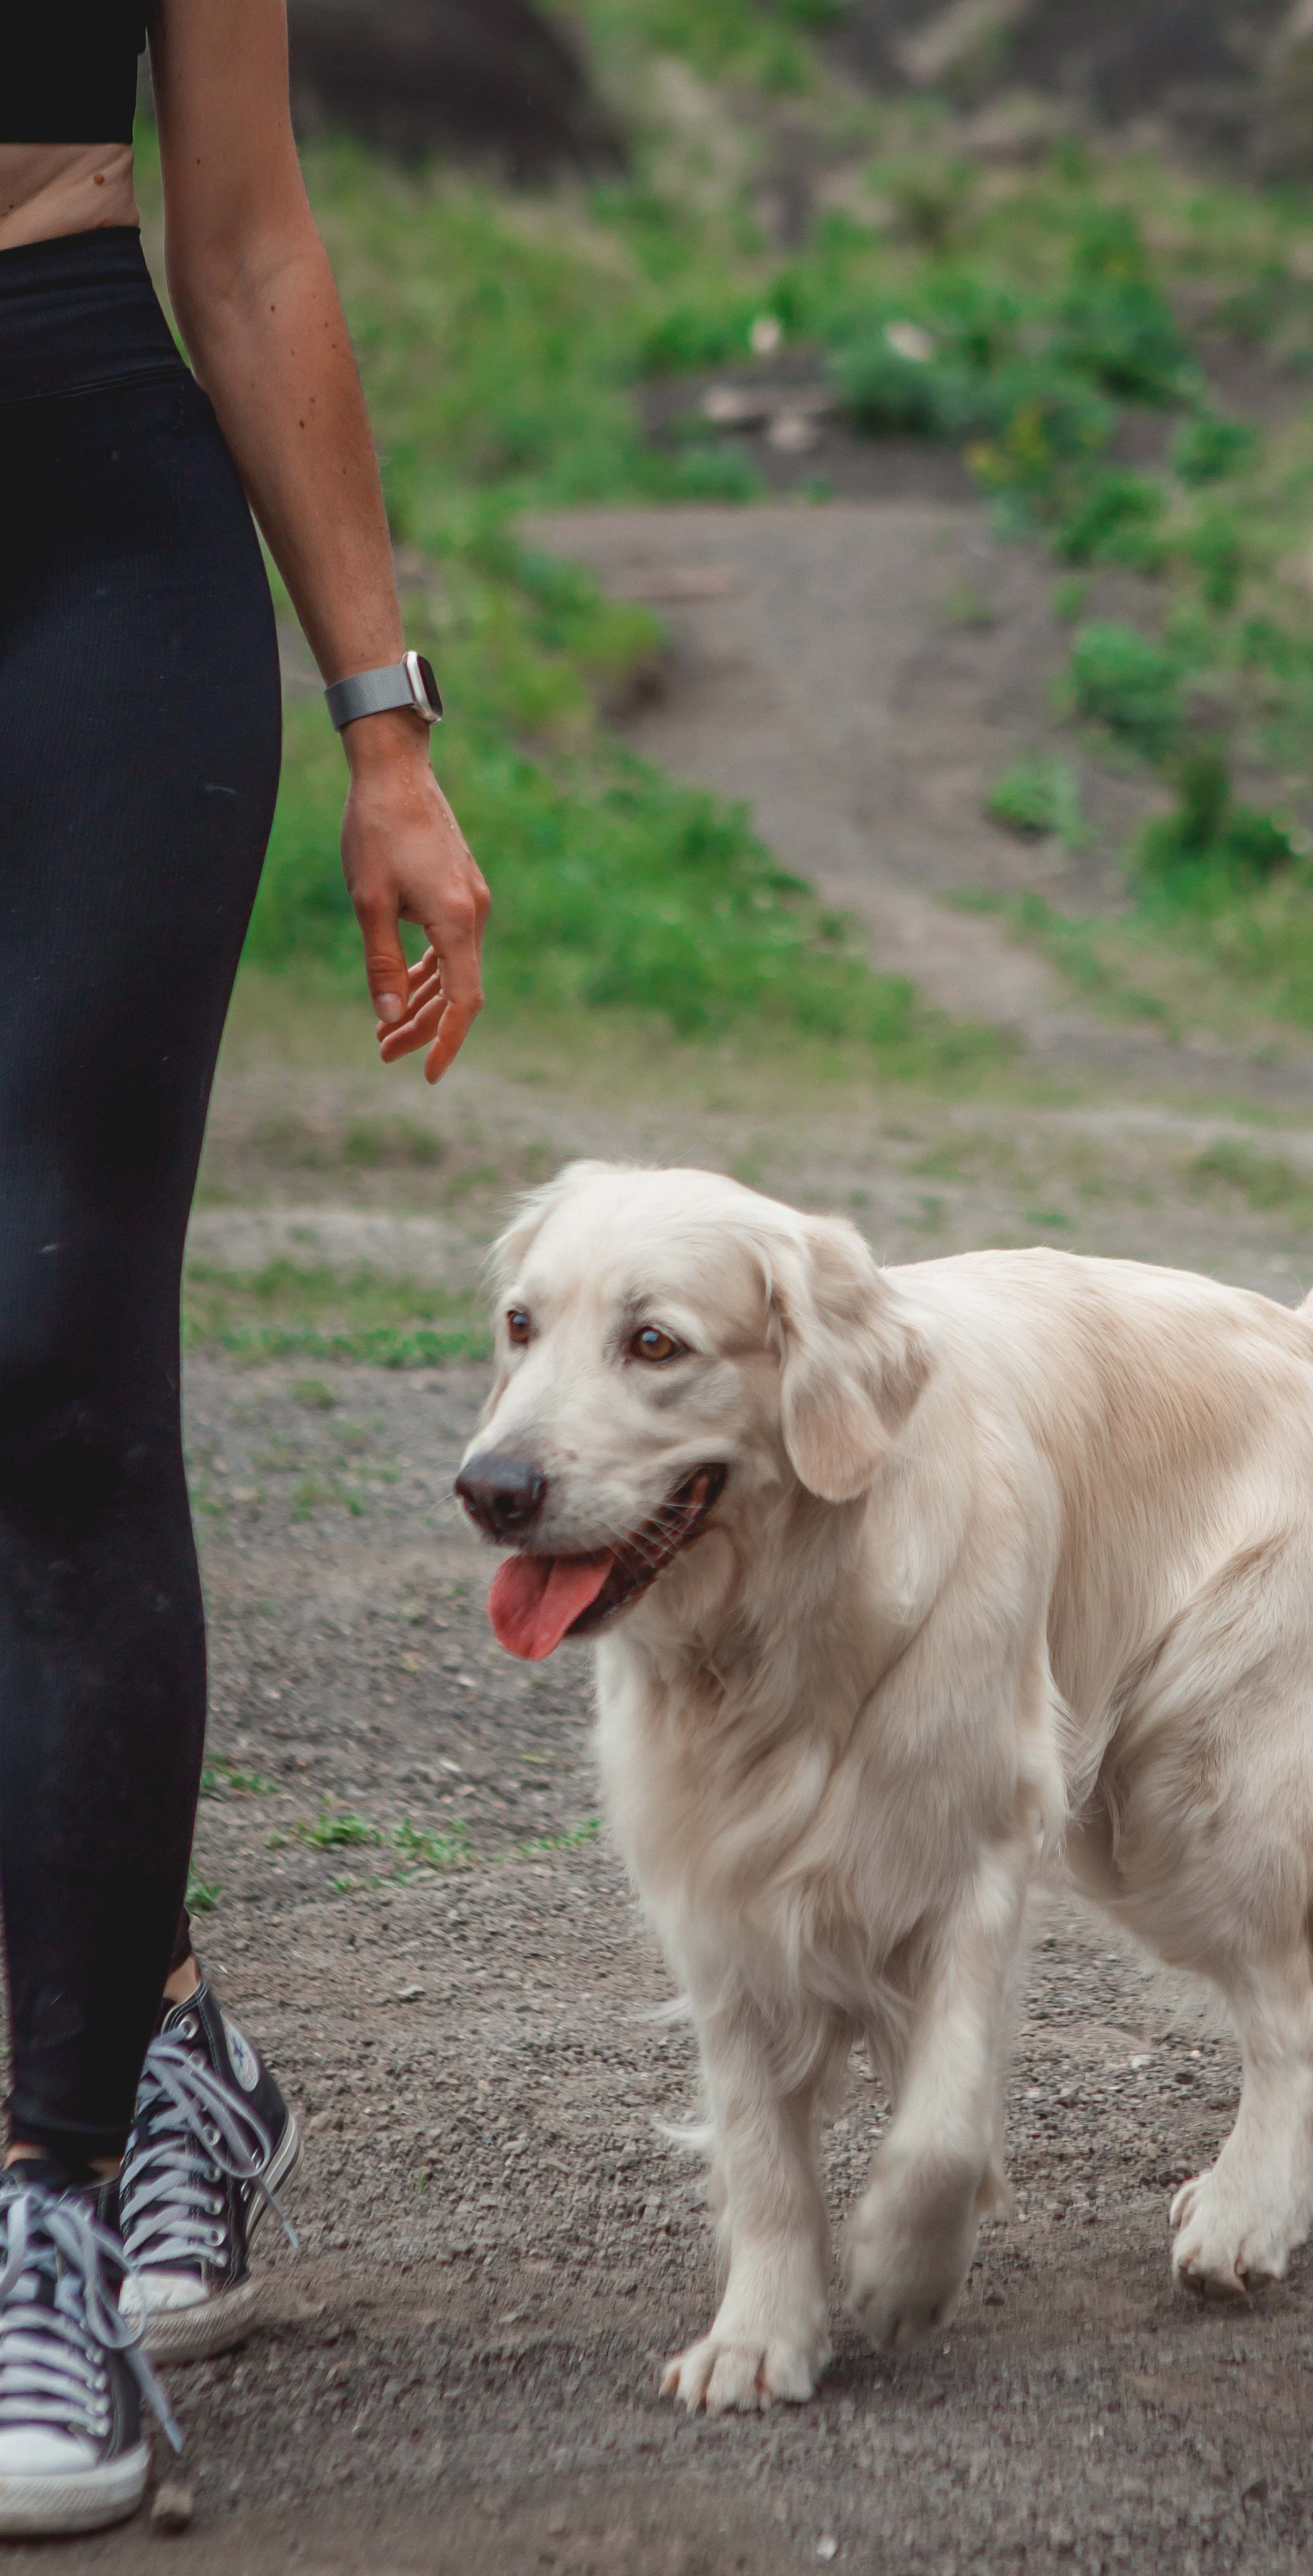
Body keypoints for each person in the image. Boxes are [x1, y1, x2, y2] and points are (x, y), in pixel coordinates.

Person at [1, 0, 490, 2534]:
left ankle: (42, 2196)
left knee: (55, 1358)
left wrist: (386, 731)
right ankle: (162, 2008)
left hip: (88, 528)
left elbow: (251, 230)